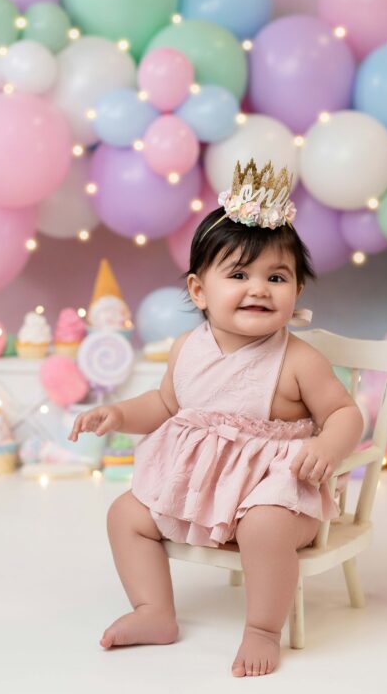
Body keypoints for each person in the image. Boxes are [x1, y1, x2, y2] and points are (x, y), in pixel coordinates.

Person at [70, 159, 364, 677]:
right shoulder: (188, 348)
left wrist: (328, 447)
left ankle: (262, 629)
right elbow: (164, 404)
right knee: (126, 516)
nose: (259, 288)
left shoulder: (297, 359)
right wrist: (116, 413)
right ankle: (154, 611)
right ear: (200, 291)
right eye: (238, 275)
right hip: (200, 486)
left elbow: (344, 412)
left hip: (277, 487)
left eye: (277, 276)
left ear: (296, 291)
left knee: (264, 529)